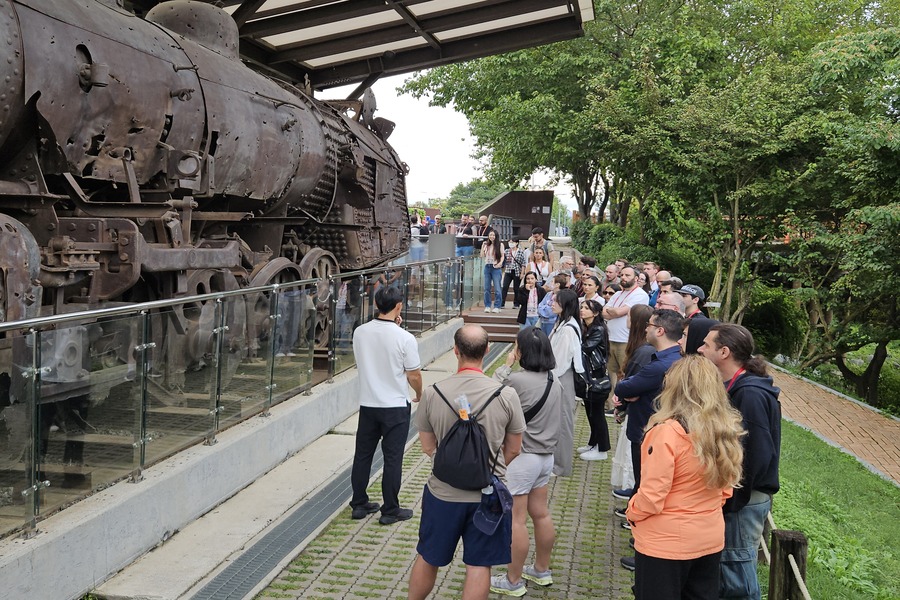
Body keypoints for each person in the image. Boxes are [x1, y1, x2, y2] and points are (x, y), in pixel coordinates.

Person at [409, 325, 525, 600]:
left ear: (455, 350)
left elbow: (427, 446)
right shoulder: (505, 395)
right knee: (479, 563)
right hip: (488, 495)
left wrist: (452, 465)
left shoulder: (433, 393)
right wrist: (486, 468)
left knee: (429, 556)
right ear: (487, 350)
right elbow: (514, 449)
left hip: (442, 493)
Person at [626, 355, 745, 600]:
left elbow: (652, 496)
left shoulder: (666, 433)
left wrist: (632, 512)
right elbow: (726, 490)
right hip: (708, 537)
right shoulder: (724, 431)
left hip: (665, 545)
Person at [698, 324, 781, 600]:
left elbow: (756, 455)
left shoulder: (750, 394)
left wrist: (732, 499)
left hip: (743, 498)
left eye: (706, 345)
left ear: (724, 352)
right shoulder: (736, 387)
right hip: (737, 494)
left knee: (737, 573)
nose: (700, 349)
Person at [490, 328, 563, 596]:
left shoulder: (516, 382)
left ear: (521, 352)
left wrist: (505, 367)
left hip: (522, 458)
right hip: (545, 458)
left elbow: (490, 394)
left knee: (516, 521)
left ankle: (513, 580)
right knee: (541, 513)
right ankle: (541, 569)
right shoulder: (555, 381)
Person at [615, 308, 684, 573]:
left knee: (646, 487)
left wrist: (631, 390)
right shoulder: (669, 359)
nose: (645, 328)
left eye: (650, 324)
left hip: (649, 431)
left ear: (660, 330)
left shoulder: (660, 365)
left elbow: (624, 387)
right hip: (651, 428)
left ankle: (644, 547)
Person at [350, 286, 423, 524]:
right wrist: (419, 393)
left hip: (368, 403)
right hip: (395, 406)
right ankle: (390, 509)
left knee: (362, 455)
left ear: (376, 304)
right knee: (393, 459)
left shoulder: (360, 332)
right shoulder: (405, 338)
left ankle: (359, 503)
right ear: (399, 306)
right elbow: (413, 375)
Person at [610, 304, 655, 497]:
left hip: (640, 414)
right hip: (634, 409)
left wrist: (623, 401)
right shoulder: (638, 346)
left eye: (628, 316)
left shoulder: (644, 351)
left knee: (636, 458)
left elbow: (633, 384)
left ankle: (636, 496)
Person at [601, 266, 651, 409]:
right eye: (622, 274)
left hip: (626, 340)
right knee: (611, 372)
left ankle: (621, 405)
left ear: (636, 278)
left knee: (624, 373)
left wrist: (614, 311)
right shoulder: (617, 294)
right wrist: (614, 311)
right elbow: (604, 312)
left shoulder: (640, 295)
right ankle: (611, 404)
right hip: (611, 338)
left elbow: (618, 312)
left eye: (627, 275)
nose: (623, 277)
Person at [548, 289, 584, 477]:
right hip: (558, 376)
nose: (552, 303)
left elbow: (561, 361)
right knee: (557, 421)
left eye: (556, 301)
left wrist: (549, 380)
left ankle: (561, 466)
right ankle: (556, 462)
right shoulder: (561, 323)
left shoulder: (569, 329)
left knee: (563, 422)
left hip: (562, 377)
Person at [577, 299, 611, 461]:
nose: (582, 310)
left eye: (586, 308)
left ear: (596, 313)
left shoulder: (598, 329)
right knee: (590, 411)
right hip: (588, 374)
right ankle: (593, 442)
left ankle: (603, 447)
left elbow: (585, 348)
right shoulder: (586, 327)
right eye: (582, 307)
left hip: (596, 375)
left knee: (597, 413)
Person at [481, 230, 505, 313]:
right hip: (487, 266)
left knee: (497, 287)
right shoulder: (486, 245)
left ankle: (497, 306)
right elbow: (482, 255)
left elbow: (502, 255)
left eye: (493, 235)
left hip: (495, 266)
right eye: (490, 235)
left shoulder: (500, 245)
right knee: (486, 288)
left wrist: (500, 263)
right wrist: (482, 246)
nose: (492, 237)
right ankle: (487, 305)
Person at [501, 239, 526, 309]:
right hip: (508, 271)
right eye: (510, 242)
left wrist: (522, 273)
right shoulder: (507, 251)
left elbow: (523, 263)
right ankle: (502, 302)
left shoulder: (520, 252)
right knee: (505, 287)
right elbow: (504, 261)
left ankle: (516, 303)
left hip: (517, 271)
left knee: (516, 288)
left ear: (517, 243)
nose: (511, 243)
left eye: (513, 242)